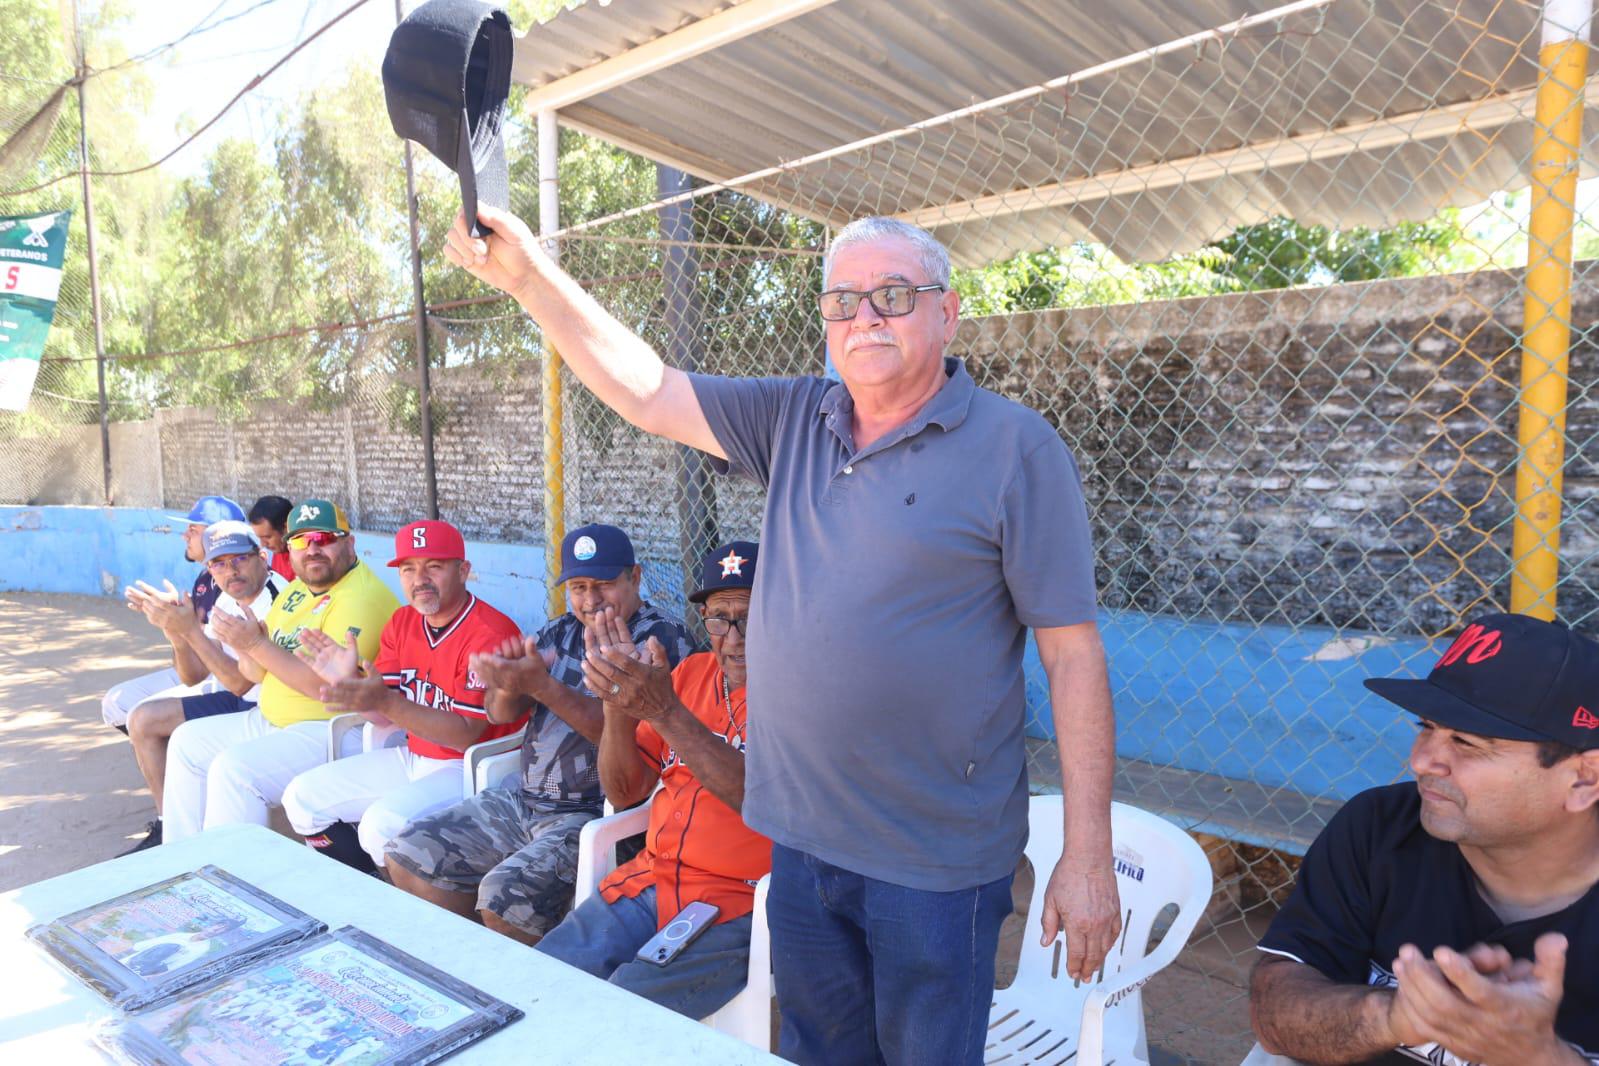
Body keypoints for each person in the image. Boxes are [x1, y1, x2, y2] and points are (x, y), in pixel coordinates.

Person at [444, 206, 1118, 1062]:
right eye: (842, 300)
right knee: (820, 1053)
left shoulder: (1016, 451)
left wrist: (1087, 854)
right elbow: (647, 389)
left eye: (892, 294)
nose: (864, 316)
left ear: (946, 313)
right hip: (798, 845)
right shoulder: (797, 419)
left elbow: (1072, 653)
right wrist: (530, 278)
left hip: (934, 860)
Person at [1249, 612, 1599, 1066]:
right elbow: (1274, 1008)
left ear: (1583, 780)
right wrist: (1396, 1016)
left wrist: (1539, 1058)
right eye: (1427, 727)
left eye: (1468, 743)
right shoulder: (1380, 826)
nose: (1422, 761)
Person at [384, 523, 695, 944]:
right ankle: (480, 955)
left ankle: (535, 980)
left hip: (597, 813)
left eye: (603, 585)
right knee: (407, 854)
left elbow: (636, 744)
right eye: (579, 587)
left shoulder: (664, 640)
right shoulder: (558, 631)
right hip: (524, 798)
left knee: (504, 899)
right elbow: (497, 713)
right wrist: (507, 682)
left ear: (635, 578)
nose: (590, 600)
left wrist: (544, 687)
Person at [536, 541, 768, 1018]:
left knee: (621, 1011)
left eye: (751, 616)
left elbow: (760, 802)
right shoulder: (691, 675)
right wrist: (616, 702)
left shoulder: (804, 691)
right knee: (541, 979)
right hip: (653, 879)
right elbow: (625, 794)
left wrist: (662, 711)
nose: (733, 637)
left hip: (740, 903)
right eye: (719, 618)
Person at [280, 519, 523, 872]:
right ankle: (370, 892)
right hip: (414, 754)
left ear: (463, 570)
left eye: (434, 567)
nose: (419, 580)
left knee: (381, 826)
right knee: (302, 798)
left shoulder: (490, 633)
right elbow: (386, 717)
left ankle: (405, 908)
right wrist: (355, 687)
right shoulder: (402, 622)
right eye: (408, 569)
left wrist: (382, 701)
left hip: (472, 768)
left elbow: (464, 734)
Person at [162, 498, 399, 843]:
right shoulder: (300, 590)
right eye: (302, 541)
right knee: (187, 742)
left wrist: (255, 645)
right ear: (290, 549)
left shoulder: (359, 597)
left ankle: (236, 879)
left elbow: (322, 687)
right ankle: (182, 858)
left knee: (236, 770)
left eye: (325, 538)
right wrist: (248, 645)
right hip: (276, 718)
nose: (313, 549)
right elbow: (256, 673)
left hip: (330, 725)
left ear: (349, 543)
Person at [117, 521, 287, 854]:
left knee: (183, 740)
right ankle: (173, 839)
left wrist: (191, 629)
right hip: (241, 698)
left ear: (262, 557)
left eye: (239, 559)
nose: (230, 571)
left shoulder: (273, 599)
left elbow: (242, 683)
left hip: (266, 708)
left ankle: (191, 848)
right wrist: (176, 632)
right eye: (219, 563)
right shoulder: (227, 598)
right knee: (143, 719)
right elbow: (192, 675)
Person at [103, 494, 246, 733]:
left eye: (193, 529)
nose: (184, 536)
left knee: (141, 712)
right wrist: (173, 619)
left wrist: (183, 625)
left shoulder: (239, 583)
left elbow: (214, 664)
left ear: (218, 535)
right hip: (197, 670)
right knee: (115, 703)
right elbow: (188, 664)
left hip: (224, 679)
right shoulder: (205, 578)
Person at [249, 495, 296, 582]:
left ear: (286, 527)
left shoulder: (306, 557)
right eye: (259, 538)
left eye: (267, 537)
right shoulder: (278, 550)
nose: (263, 544)